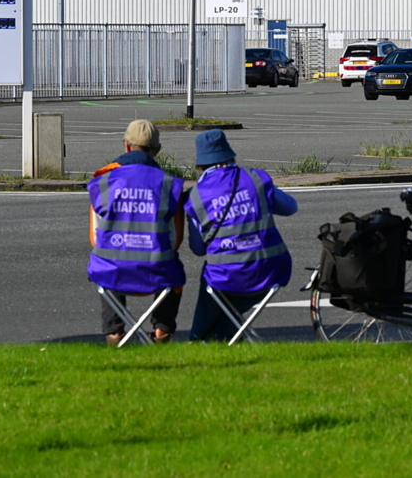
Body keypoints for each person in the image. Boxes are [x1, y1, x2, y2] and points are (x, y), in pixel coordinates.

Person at [184, 129, 296, 341]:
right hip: (272, 271)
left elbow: (198, 250)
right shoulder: (256, 179)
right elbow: (290, 208)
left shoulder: (196, 196)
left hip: (226, 278)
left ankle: (198, 337)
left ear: (201, 164)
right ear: (230, 155)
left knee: (212, 279)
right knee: (228, 301)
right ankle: (224, 334)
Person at [87, 119, 186, 345]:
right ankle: (162, 330)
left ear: (126, 146)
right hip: (156, 269)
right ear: (157, 150)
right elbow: (176, 240)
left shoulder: (103, 181)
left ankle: (114, 331)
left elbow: (95, 236)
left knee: (107, 261)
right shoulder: (170, 184)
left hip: (113, 270)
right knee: (174, 270)